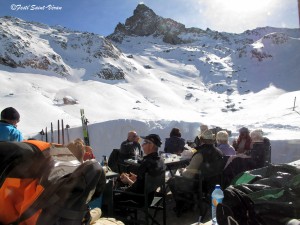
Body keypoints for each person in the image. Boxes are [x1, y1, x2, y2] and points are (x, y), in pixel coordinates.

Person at [169, 129, 224, 215]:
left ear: (201, 140)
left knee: (172, 181)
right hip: (214, 183)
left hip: (201, 184)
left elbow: (188, 175)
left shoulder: (200, 154)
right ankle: (191, 201)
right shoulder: (219, 152)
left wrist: (182, 171)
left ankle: (183, 205)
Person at [114, 134, 165, 205]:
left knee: (112, 194)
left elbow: (137, 189)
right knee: (118, 190)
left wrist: (127, 180)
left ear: (151, 145)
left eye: (145, 142)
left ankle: (121, 215)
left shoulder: (146, 163)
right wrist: (136, 178)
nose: (142, 145)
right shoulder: (160, 160)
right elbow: (147, 180)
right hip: (153, 195)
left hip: (142, 199)